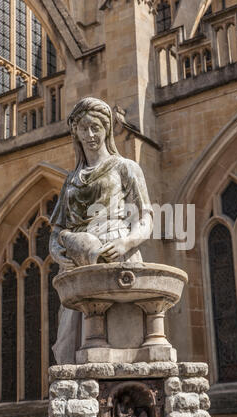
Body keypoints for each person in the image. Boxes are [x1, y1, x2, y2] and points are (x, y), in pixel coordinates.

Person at [49, 97, 153, 364]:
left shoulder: (125, 167)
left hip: (117, 257)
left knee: (122, 345)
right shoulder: (71, 179)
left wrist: (127, 243)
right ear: (76, 133)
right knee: (69, 347)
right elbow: (57, 230)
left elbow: (146, 219)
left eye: (96, 127)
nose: (90, 135)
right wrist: (62, 254)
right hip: (77, 268)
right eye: (84, 129)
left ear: (107, 129)